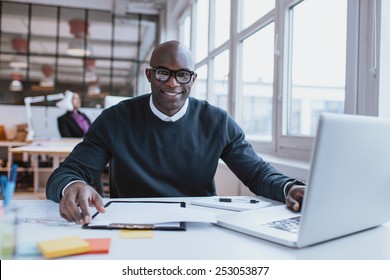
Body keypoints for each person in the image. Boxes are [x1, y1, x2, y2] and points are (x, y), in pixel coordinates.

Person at [46, 40, 306, 224]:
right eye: (163, 73)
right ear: (150, 75)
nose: (172, 83)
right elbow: (65, 174)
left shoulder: (216, 122)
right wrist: (75, 185)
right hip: (133, 226)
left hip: (200, 224)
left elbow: (257, 173)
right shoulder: (115, 119)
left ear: (192, 79)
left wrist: (289, 187)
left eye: (182, 75)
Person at [56, 90, 104, 196]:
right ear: (69, 101)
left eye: (78, 98)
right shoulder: (63, 119)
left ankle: (99, 194)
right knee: (93, 163)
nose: (78, 101)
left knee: (99, 163)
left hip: (91, 146)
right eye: (75, 98)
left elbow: (93, 130)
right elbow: (66, 137)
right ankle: (97, 193)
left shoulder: (83, 115)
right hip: (77, 149)